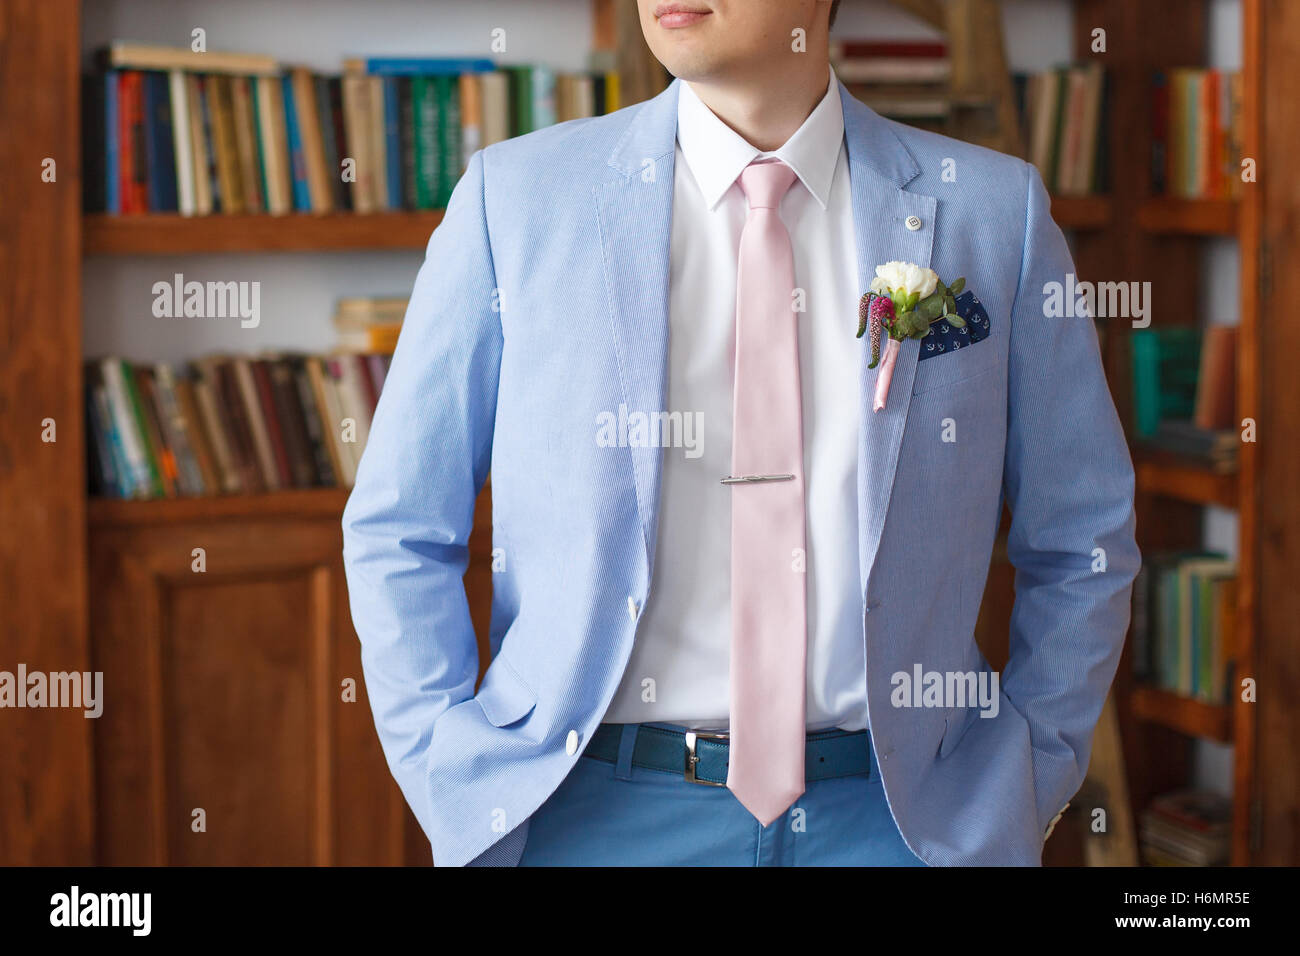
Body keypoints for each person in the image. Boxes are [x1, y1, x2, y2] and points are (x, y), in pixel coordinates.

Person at [341, 0, 1139, 866]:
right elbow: (399, 524)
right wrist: (444, 769)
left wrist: (1031, 772)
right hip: (587, 819)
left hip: (903, 824)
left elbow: (1081, 533)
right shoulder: (517, 199)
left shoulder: (993, 211)